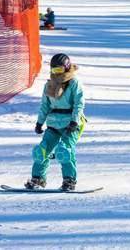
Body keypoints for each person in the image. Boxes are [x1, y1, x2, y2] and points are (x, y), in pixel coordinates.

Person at [25, 53, 86, 191]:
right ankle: (38, 179)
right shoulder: (49, 85)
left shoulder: (73, 83)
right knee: (41, 151)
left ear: (66, 68)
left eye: (59, 70)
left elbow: (79, 104)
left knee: (64, 151)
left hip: (70, 124)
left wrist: (74, 121)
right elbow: (45, 106)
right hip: (53, 123)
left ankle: (69, 180)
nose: (57, 74)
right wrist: (39, 122)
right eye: (54, 71)